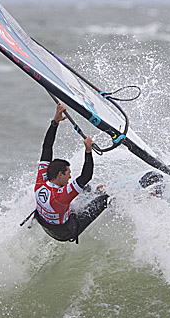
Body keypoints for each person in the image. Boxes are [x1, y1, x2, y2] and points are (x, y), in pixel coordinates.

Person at [27, 102, 111, 243]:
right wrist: (88, 151)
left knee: (83, 187)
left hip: (46, 223)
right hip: (65, 231)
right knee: (106, 198)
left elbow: (47, 147)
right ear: (60, 174)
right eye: (68, 174)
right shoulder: (60, 197)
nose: (70, 176)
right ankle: (108, 198)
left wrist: (55, 122)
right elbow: (86, 176)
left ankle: (90, 193)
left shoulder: (41, 181)